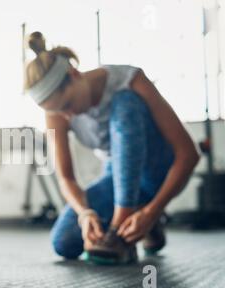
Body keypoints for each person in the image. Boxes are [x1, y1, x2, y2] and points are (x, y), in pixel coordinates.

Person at [24, 32, 200, 264]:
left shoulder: (129, 79)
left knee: (124, 103)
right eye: (58, 111)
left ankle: (122, 228)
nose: (67, 115)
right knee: (64, 242)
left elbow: (188, 155)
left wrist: (154, 211)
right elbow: (66, 178)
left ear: (74, 74)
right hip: (115, 177)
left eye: (67, 104)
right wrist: (85, 214)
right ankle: (138, 218)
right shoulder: (57, 111)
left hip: (157, 169)